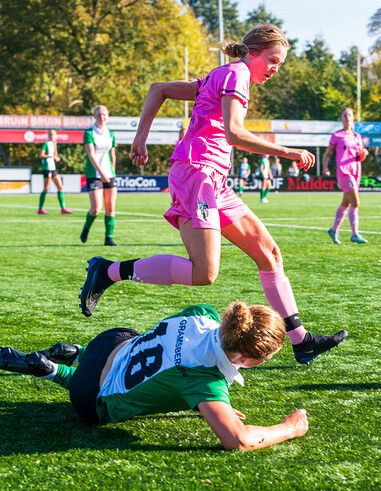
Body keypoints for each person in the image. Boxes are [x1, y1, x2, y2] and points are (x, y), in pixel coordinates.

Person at [80, 23, 346, 365]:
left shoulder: (221, 75)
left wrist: (140, 137)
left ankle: (301, 340)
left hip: (213, 179)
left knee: (269, 254)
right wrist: (287, 152)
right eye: (272, 60)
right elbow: (234, 133)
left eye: (279, 63)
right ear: (253, 53)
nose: (275, 69)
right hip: (197, 174)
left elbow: (158, 89)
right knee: (204, 273)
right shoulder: (237, 76)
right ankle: (108, 271)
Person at [0, 302, 309, 451]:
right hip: (88, 396)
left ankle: (77, 353)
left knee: (140, 340)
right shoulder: (204, 380)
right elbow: (238, 440)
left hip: (109, 341)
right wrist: (289, 428)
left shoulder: (205, 314)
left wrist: (208, 407)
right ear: (245, 359)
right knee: (102, 402)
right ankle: (55, 370)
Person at [323, 108, 369, 245]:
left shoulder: (357, 136)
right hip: (344, 172)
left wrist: (364, 154)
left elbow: (359, 157)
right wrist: (325, 167)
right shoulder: (337, 135)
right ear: (341, 119)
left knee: (346, 203)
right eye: (344, 115)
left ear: (353, 118)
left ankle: (333, 229)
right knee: (356, 202)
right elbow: (327, 154)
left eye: (349, 115)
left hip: (356, 171)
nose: (347, 117)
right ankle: (354, 234)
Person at [80, 105, 118, 246]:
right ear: (95, 116)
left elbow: (112, 154)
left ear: (107, 117)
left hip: (109, 174)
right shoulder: (89, 132)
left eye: (104, 114)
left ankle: (108, 238)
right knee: (96, 208)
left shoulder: (111, 133)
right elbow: (91, 155)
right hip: (94, 174)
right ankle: (86, 227)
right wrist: (102, 174)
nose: (101, 116)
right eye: (99, 114)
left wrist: (112, 171)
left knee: (110, 208)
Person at [37, 129, 73, 215]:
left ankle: (63, 208)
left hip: (53, 168)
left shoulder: (54, 144)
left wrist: (57, 158)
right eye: (50, 135)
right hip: (47, 168)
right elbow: (41, 155)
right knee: (46, 188)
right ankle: (40, 209)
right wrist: (51, 156)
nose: (52, 136)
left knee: (60, 187)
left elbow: (56, 155)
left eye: (53, 135)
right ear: (48, 135)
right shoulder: (46, 144)